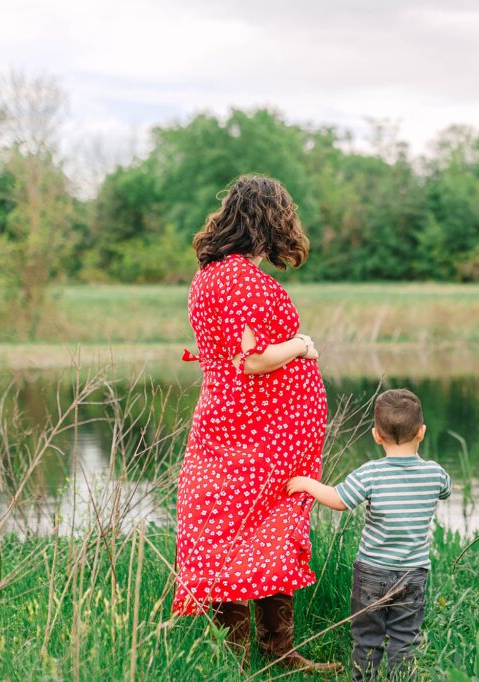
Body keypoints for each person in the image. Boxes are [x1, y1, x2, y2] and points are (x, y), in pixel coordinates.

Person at [172, 175, 341, 673]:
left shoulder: (207, 277)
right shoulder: (242, 280)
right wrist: (302, 345)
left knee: (236, 537)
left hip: (228, 426)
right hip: (257, 435)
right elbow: (254, 360)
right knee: (264, 533)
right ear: (270, 221)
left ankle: (256, 657)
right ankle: (268, 656)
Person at [287, 388, 452, 680]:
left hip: (372, 572)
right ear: (422, 432)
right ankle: (401, 677)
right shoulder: (434, 473)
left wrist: (306, 483)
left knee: (367, 636)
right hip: (413, 573)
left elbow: (339, 499)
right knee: (405, 637)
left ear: (376, 435)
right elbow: (446, 489)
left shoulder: (370, 473)